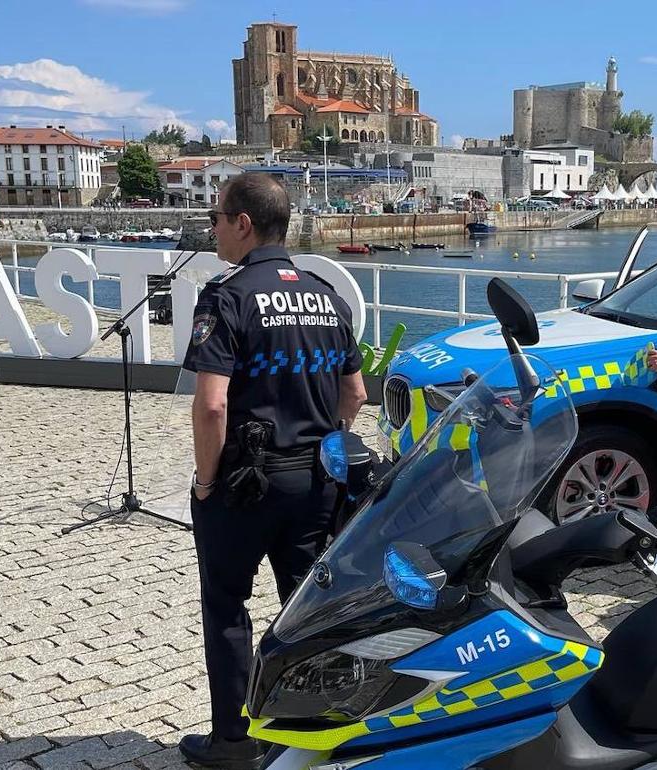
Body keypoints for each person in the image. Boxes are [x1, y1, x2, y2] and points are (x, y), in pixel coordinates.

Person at [179, 173, 367, 767]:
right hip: (315, 482)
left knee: (228, 607)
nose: (212, 229)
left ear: (243, 224)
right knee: (306, 608)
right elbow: (356, 394)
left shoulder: (227, 296)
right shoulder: (325, 294)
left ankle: (233, 742)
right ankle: (306, 734)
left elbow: (211, 405)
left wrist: (206, 481)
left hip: (243, 485)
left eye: (216, 218)